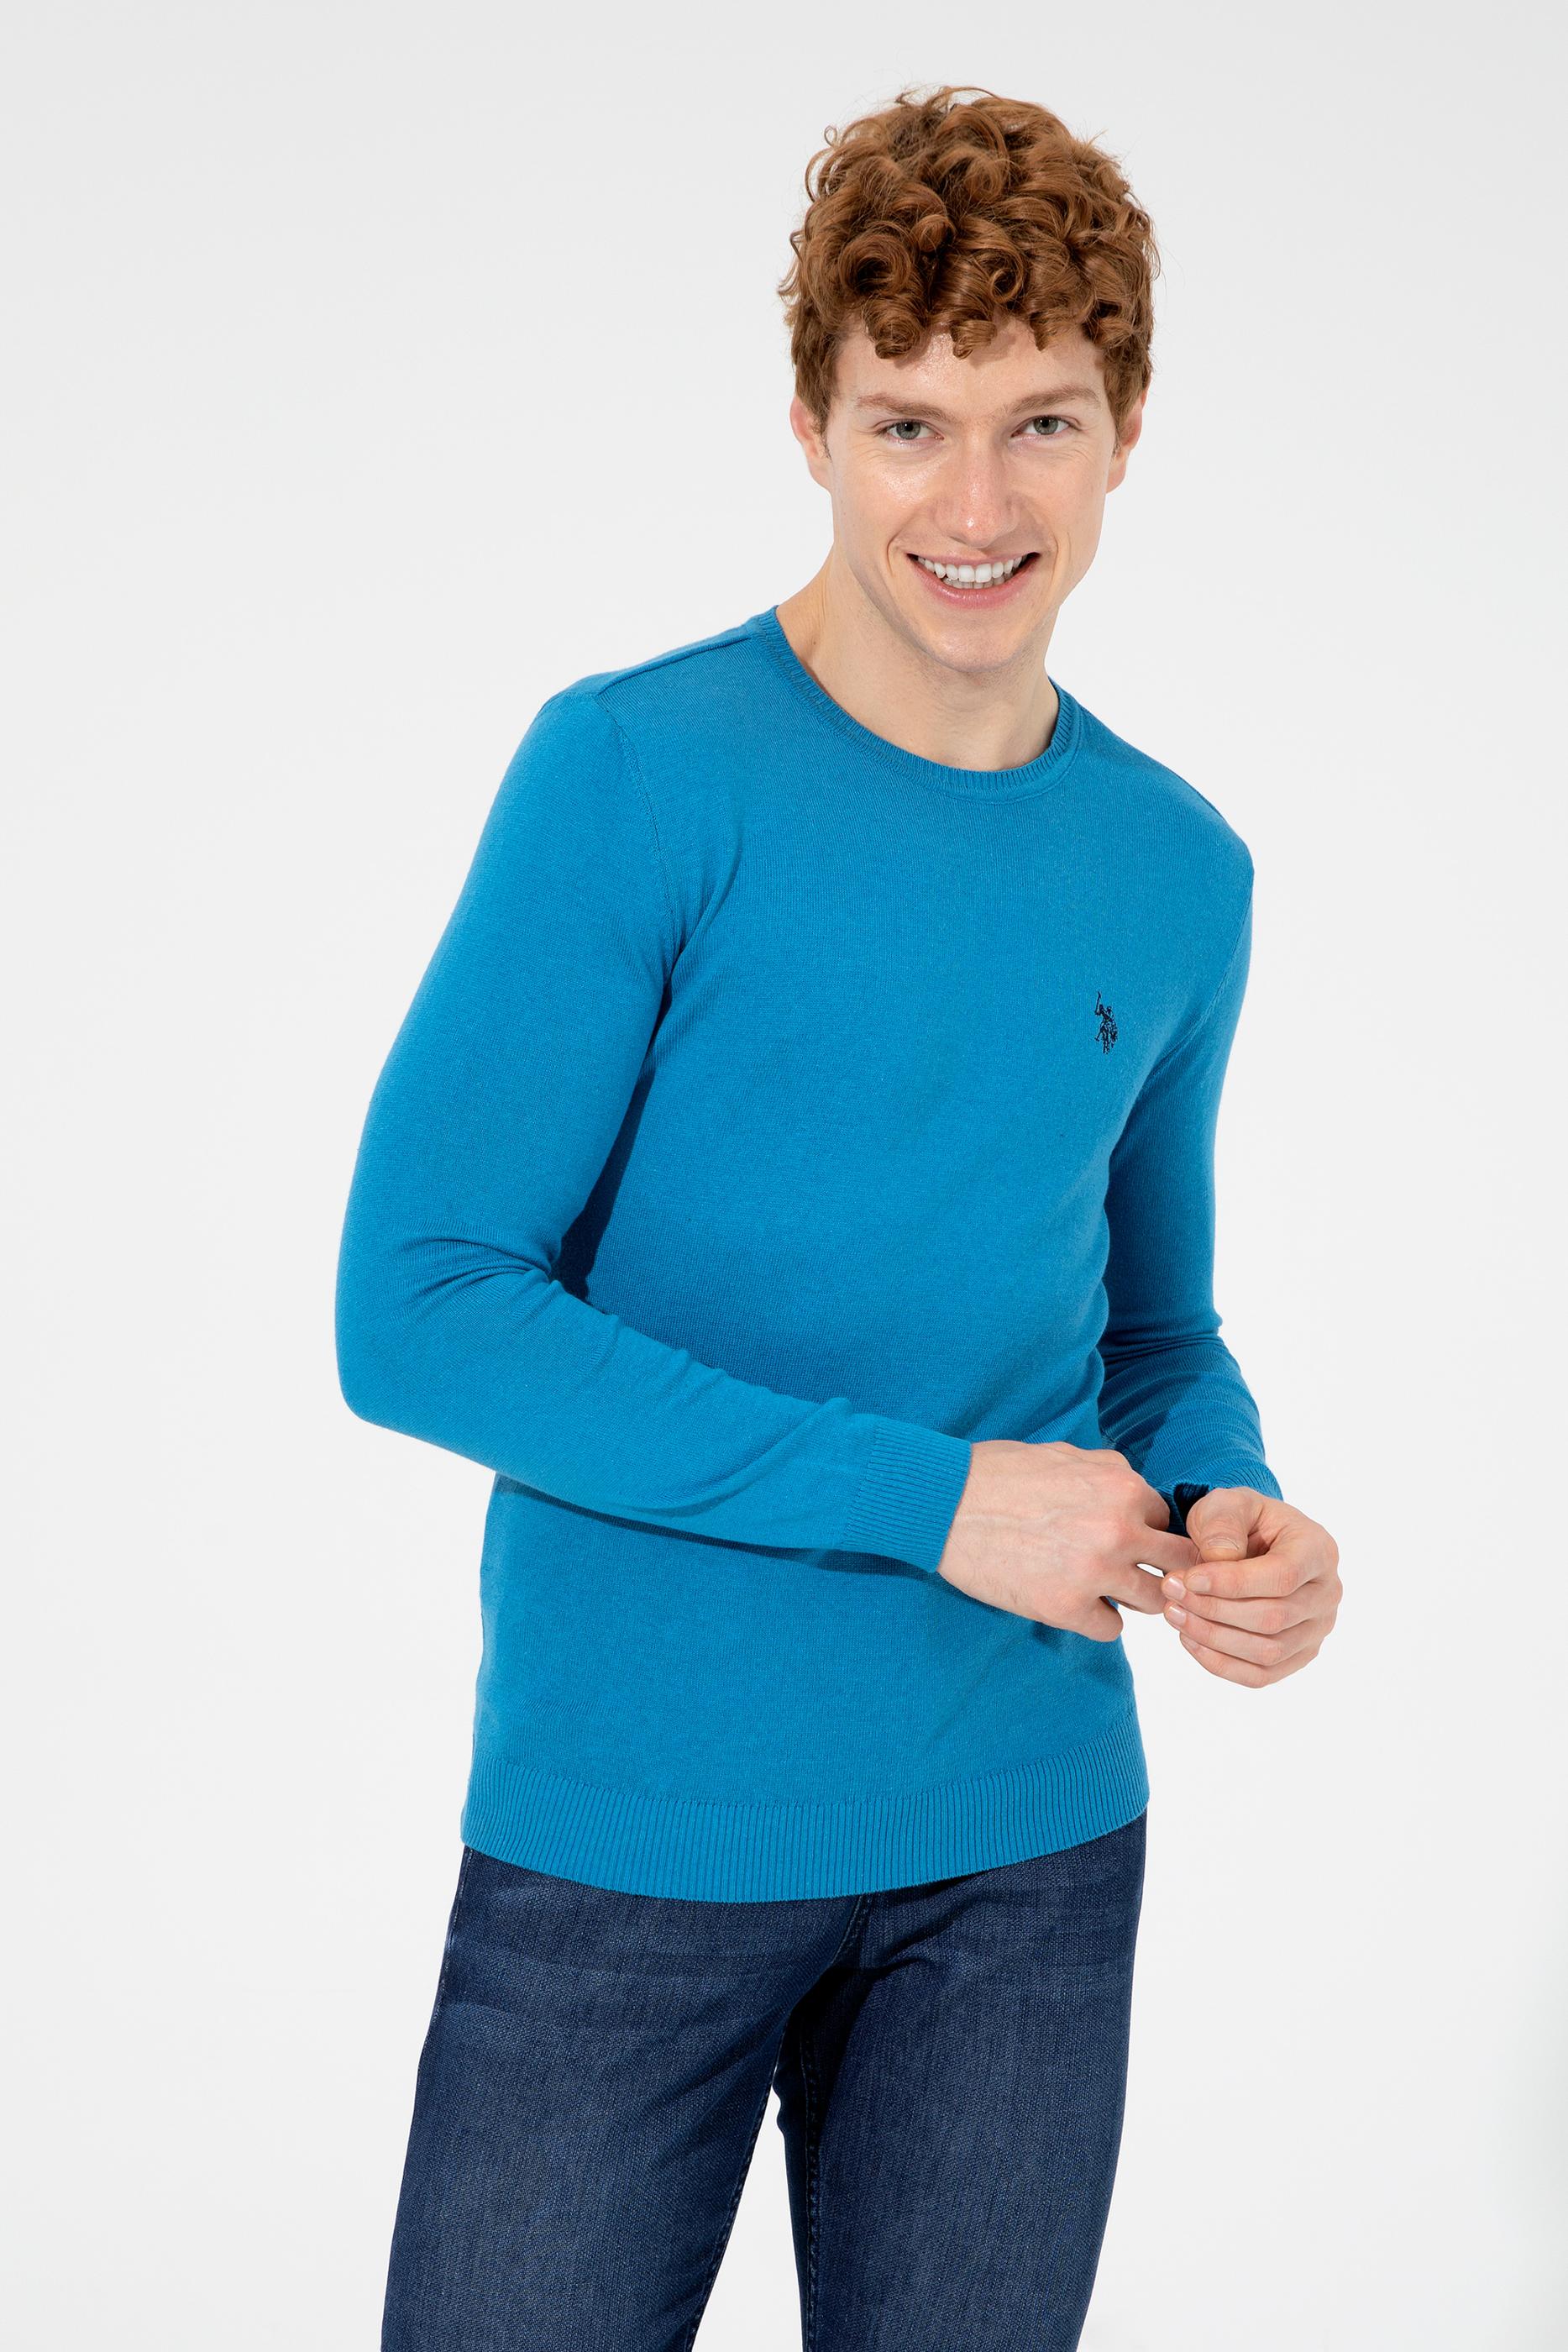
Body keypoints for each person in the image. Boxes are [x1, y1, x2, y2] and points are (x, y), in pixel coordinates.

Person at [336, 80, 1341, 2352]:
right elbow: (421, 1305)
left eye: (1040, 424)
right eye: (909, 427)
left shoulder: (1177, 866)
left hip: (1026, 1843)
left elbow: (1150, 1330)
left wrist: (1232, 1500)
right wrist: (935, 1502)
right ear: (810, 426)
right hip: (633, 1840)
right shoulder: (635, 773)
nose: (976, 507)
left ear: (1127, 431)